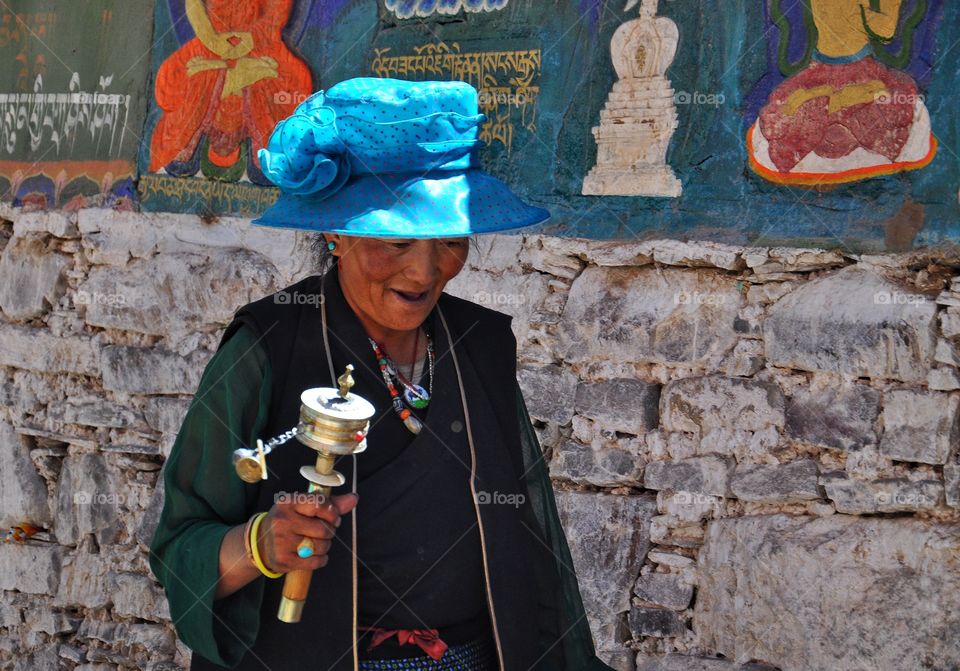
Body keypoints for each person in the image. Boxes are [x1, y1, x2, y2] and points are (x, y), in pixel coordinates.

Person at [149, 77, 614, 671]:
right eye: (395, 240)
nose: (425, 269)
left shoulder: (480, 344)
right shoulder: (267, 348)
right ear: (335, 231)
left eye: (447, 238)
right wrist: (261, 546)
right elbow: (181, 544)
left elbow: (526, 533)